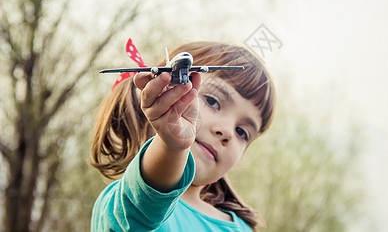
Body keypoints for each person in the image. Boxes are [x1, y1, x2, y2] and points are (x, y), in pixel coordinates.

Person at [90, 41, 276, 231]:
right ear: (161, 94)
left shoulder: (243, 229)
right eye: (212, 101)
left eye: (241, 132)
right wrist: (172, 147)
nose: (227, 131)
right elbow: (140, 208)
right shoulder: (128, 208)